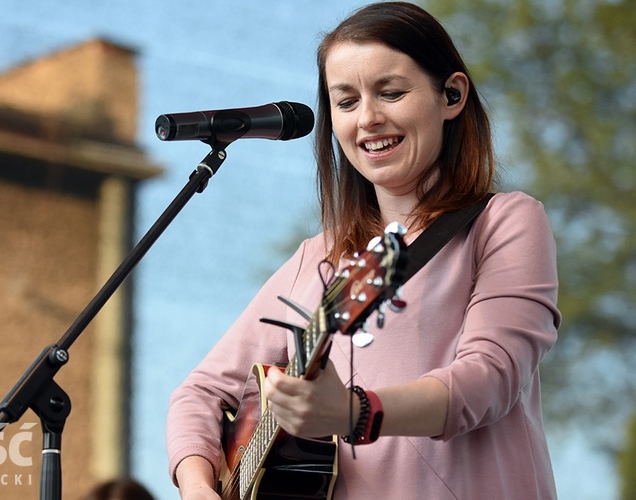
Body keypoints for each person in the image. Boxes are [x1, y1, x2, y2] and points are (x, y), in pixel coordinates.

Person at [166, 2, 561, 499]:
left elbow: (489, 379)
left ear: (452, 95)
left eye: (391, 93)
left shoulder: (504, 222)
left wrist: (356, 412)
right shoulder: (316, 258)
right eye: (346, 102)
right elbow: (199, 394)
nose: (369, 119)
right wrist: (199, 486)